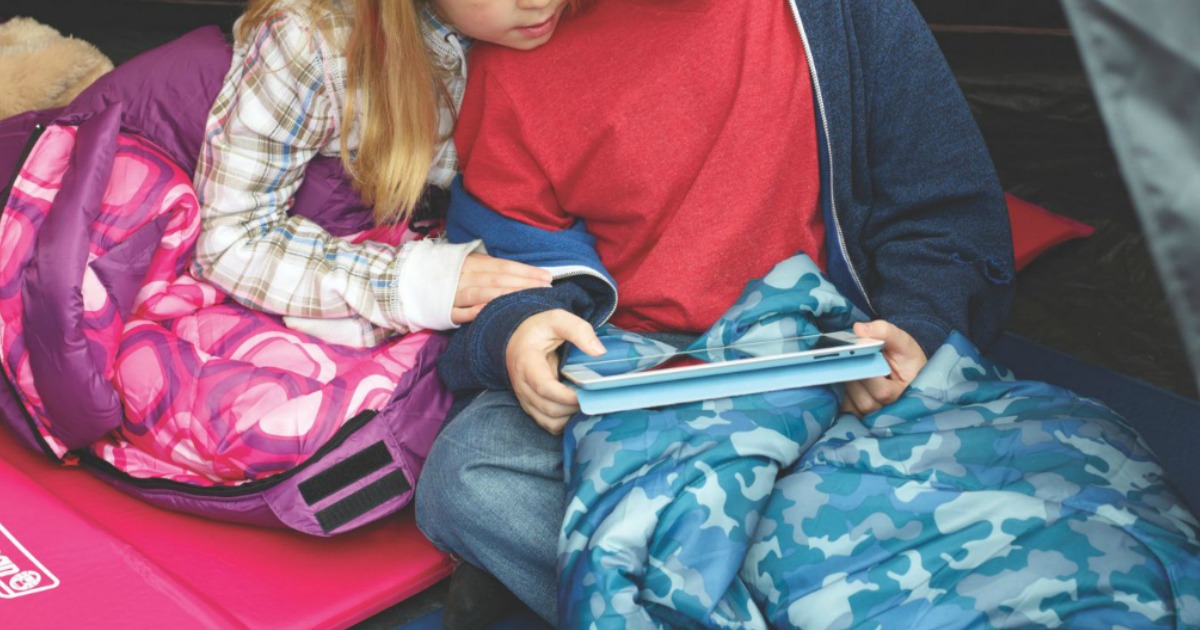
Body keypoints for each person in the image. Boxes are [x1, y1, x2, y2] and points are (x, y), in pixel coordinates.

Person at [416, 0, 1015, 626]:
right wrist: (522, 331)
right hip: (639, 379)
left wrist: (914, 326)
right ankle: (808, 581)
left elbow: (945, 210)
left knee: (1007, 465)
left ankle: (741, 571)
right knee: (468, 473)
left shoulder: (837, 16)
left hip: (826, 358)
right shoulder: (516, 58)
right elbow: (511, 262)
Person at [191, 0, 579, 347]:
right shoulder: (313, 42)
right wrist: (408, 284)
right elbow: (229, 240)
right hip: (331, 278)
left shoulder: (589, 22)